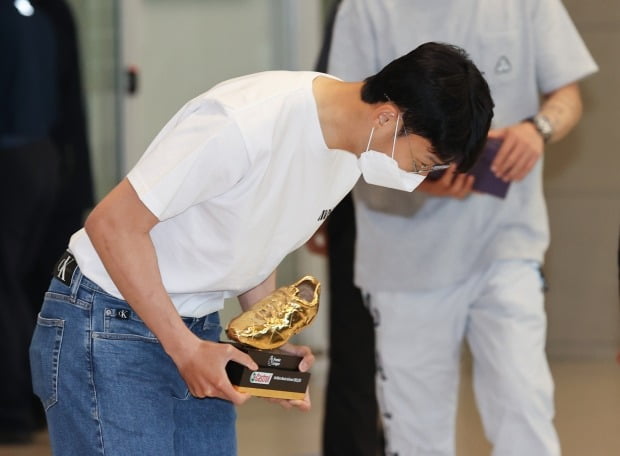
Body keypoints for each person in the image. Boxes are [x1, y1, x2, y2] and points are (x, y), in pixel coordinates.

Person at [29, 42, 494, 455]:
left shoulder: (353, 148)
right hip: (106, 319)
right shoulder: (245, 121)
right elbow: (113, 225)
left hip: (195, 326)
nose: (414, 180)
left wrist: (272, 341)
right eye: (422, 163)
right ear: (388, 116)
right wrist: (184, 349)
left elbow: (258, 238)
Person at [327, 1, 598, 455]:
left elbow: (566, 95)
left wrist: (539, 129)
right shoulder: (368, 8)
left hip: (506, 241)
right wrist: (418, 177)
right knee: (418, 432)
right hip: (404, 256)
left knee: (524, 407)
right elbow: (345, 122)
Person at [307, 1, 384, 455]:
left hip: (420, 189)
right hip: (357, 196)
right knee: (356, 345)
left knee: (406, 357)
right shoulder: (358, 8)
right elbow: (331, 112)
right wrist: (323, 206)